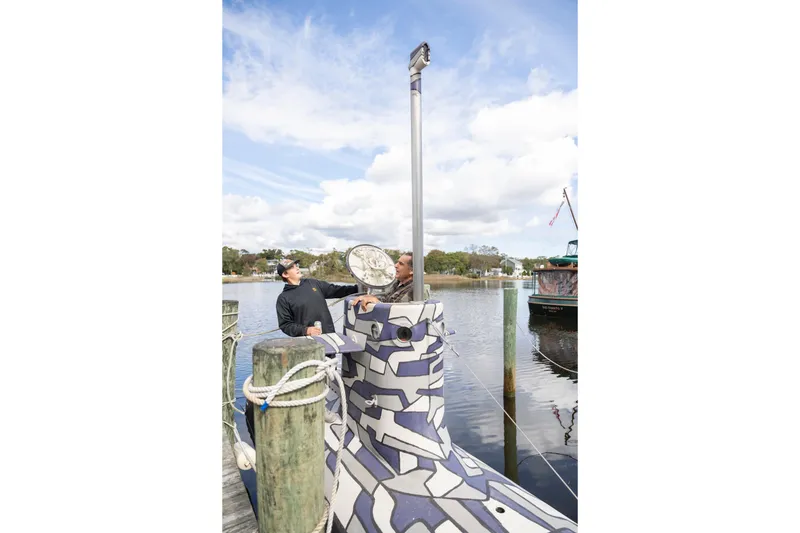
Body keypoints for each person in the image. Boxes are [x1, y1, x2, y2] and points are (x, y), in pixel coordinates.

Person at [275, 259, 359, 337]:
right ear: (285, 274)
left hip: (329, 336)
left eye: (296, 265)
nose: (297, 268)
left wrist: (359, 289)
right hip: (307, 343)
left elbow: (338, 290)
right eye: (292, 267)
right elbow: (285, 325)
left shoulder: (313, 283)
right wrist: (306, 330)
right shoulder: (283, 298)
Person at [350, 252, 429, 311]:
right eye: (397, 262)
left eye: (401, 264)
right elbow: (386, 298)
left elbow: (399, 310)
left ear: (412, 270)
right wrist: (369, 297)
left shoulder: (416, 289)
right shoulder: (396, 284)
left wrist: (377, 302)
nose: (395, 265)